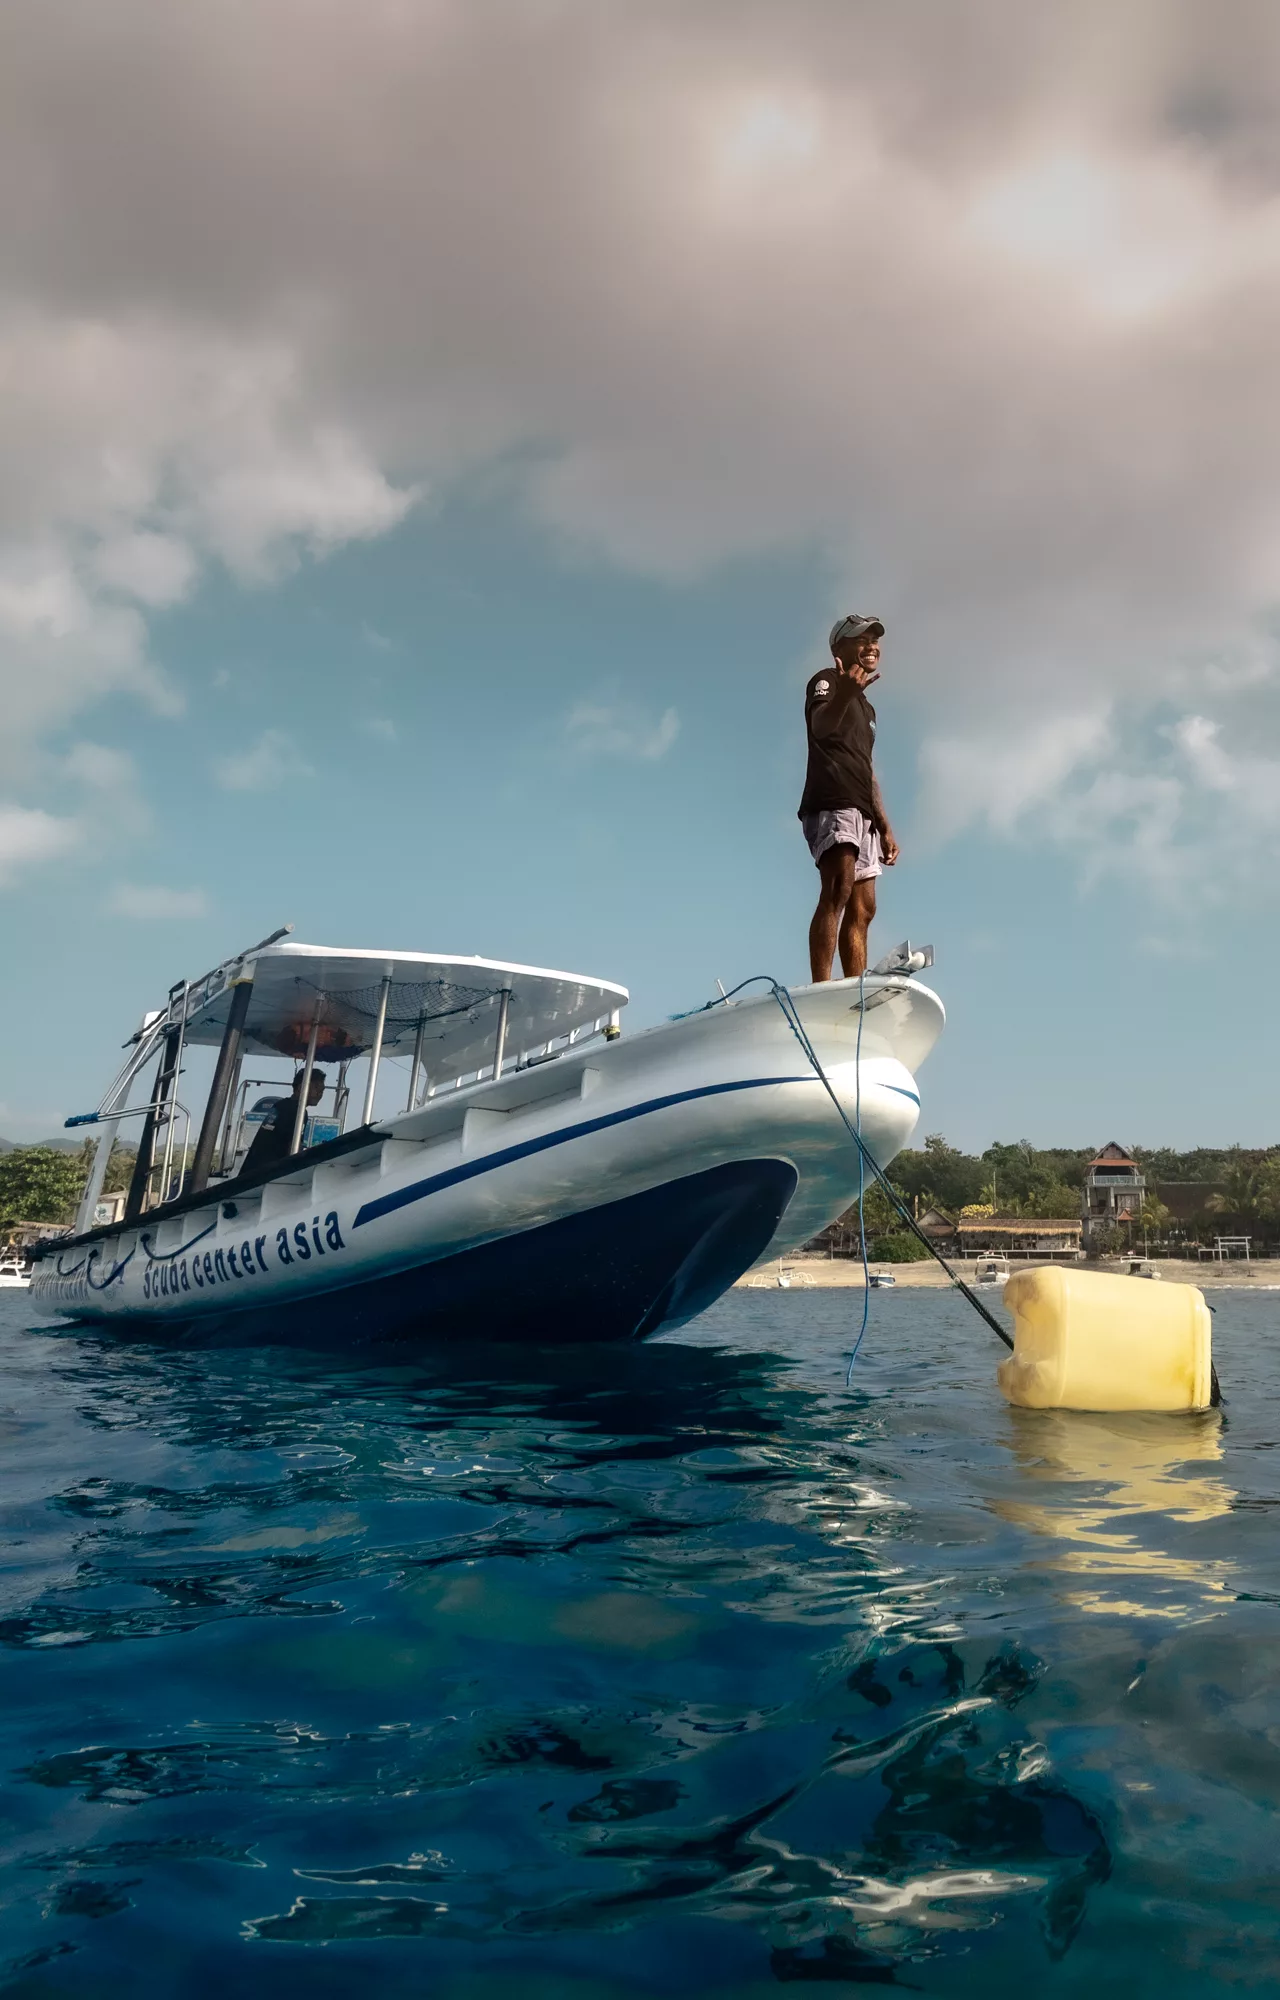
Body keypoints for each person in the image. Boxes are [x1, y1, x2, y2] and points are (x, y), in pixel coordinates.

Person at [799, 614, 899, 981]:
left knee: (865, 906)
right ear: (839, 647)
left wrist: (885, 825)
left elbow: (868, 768)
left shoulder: (867, 708)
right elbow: (821, 728)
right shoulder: (826, 681)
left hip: (863, 807)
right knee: (838, 886)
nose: (871, 645)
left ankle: (853, 990)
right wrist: (845, 694)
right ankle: (821, 987)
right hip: (832, 798)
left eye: (875, 640)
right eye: (862, 639)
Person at [241, 1068, 326, 1177]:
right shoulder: (297, 1111)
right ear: (301, 1087)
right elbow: (293, 1149)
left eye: (322, 1090)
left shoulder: (280, 1105)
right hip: (265, 1176)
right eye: (316, 1087)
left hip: (252, 1171)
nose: (320, 1093)